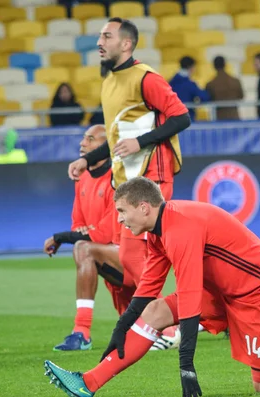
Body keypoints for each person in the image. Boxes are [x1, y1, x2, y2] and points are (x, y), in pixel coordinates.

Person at [43, 177, 260, 396]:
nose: (119, 219)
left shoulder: (181, 226)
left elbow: (189, 294)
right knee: (156, 311)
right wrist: (121, 326)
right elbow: (148, 288)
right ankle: (89, 382)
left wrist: (186, 367)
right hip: (222, 293)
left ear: (143, 207)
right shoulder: (158, 230)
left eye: (122, 211)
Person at [65, 17, 191, 319]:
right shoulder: (109, 83)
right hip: (128, 182)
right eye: (99, 36)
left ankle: (169, 324)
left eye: (106, 36)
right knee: (143, 258)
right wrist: (88, 158)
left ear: (126, 43)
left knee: (140, 256)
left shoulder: (145, 78)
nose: (99, 42)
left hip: (153, 178)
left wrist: (140, 142)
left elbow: (181, 117)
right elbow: (116, 140)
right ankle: (199, 314)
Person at [44, 125, 179, 352]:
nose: (82, 143)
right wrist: (73, 235)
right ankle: (214, 319)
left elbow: (104, 232)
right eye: (83, 138)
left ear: (105, 146)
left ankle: (81, 332)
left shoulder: (117, 179)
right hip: (110, 258)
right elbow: (78, 223)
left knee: (83, 248)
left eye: (90, 139)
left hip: (129, 255)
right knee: (139, 327)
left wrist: (61, 237)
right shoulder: (83, 179)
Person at [169, 56, 210, 121]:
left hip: (172, 119)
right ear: (190, 67)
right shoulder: (189, 84)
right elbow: (204, 97)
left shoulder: (171, 83)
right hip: (187, 118)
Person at [205, 56, 244, 120]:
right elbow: (241, 96)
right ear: (225, 64)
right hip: (234, 116)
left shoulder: (211, 84)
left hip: (219, 118)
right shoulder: (235, 81)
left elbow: (208, 99)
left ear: (214, 66)